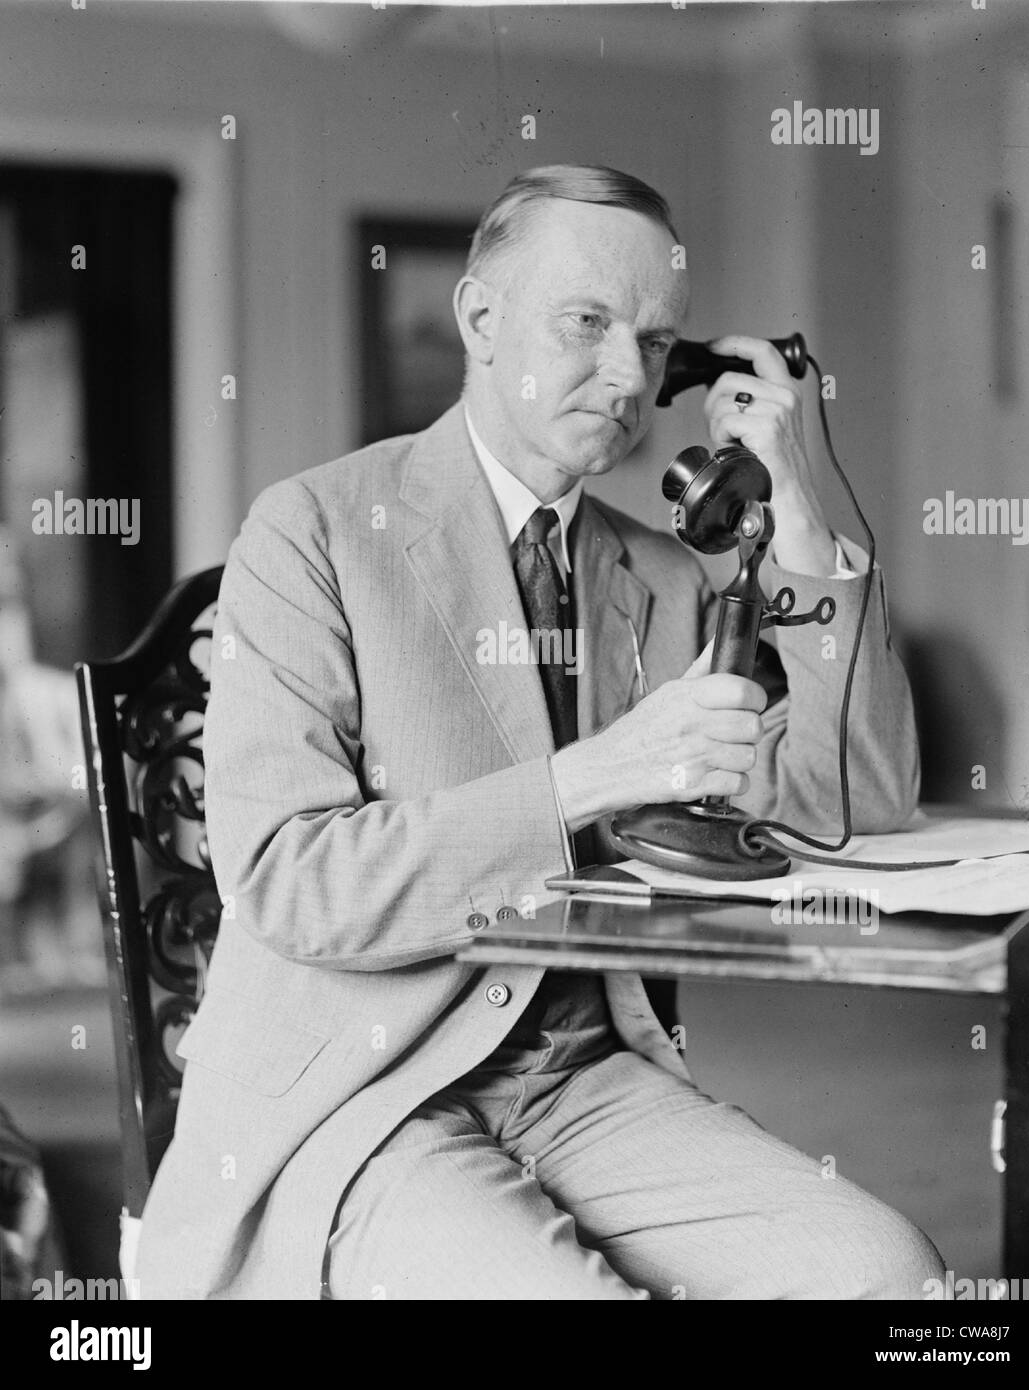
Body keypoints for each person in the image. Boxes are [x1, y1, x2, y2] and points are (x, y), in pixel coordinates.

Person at [137, 165, 942, 1300]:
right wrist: (592, 779)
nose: (627, 374)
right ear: (478, 318)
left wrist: (798, 507)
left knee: (888, 1277)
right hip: (368, 1097)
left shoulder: (664, 573)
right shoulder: (312, 530)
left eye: (657, 343)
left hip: (580, 1080)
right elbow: (289, 880)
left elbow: (848, 798)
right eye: (586, 322)